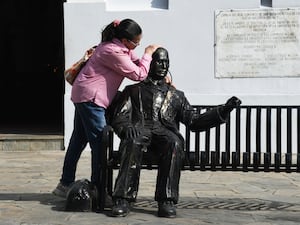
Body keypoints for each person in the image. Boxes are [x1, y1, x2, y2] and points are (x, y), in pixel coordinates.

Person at [109, 47, 242, 218]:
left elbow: (194, 121)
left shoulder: (176, 96)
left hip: (164, 132)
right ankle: (122, 198)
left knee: (174, 142)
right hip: (141, 130)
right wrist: (127, 127)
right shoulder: (133, 90)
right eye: (159, 61)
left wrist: (223, 110)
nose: (163, 65)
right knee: (132, 140)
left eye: (166, 62)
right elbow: (120, 117)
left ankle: (167, 200)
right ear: (150, 63)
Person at [52, 18, 160, 202]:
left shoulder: (117, 48)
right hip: (91, 99)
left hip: (84, 95)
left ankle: (65, 183)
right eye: (136, 43)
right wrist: (148, 53)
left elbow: (136, 63)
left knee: (78, 140)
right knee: (100, 144)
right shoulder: (112, 51)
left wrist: (157, 72)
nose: (138, 46)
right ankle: (98, 189)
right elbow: (138, 74)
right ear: (125, 41)